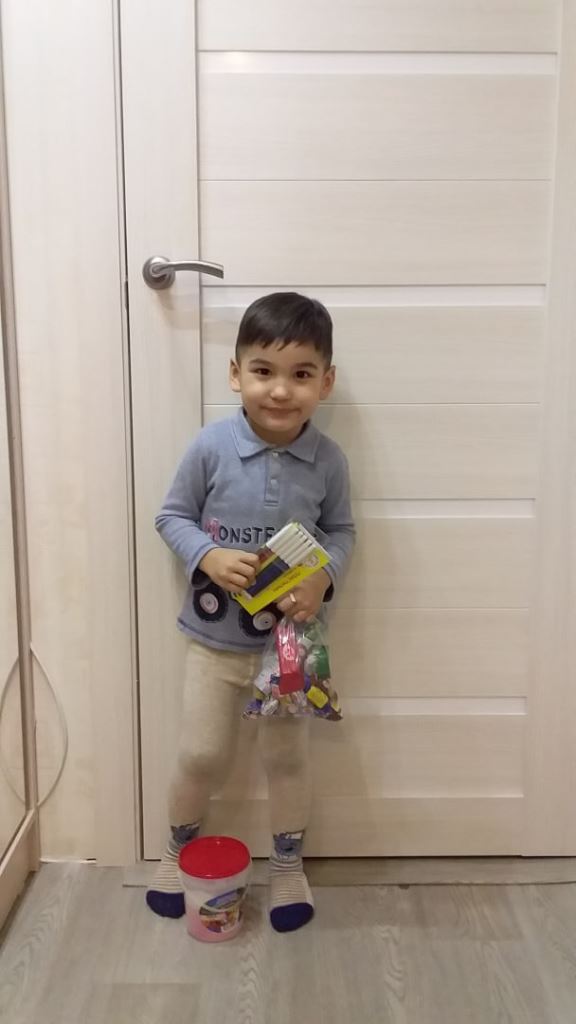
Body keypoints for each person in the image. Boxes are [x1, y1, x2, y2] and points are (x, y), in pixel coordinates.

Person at [146, 292, 355, 932]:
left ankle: (288, 866)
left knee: (287, 760)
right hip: (213, 644)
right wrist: (207, 555)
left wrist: (323, 576)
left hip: (288, 650)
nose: (281, 390)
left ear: (326, 382)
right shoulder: (211, 447)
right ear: (236, 374)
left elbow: (342, 532)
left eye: (301, 374)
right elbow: (171, 516)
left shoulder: (328, 460)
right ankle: (175, 853)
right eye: (264, 371)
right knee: (200, 753)